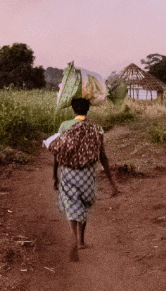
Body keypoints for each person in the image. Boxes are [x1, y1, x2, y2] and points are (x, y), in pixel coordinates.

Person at [48, 97, 119, 262]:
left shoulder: (64, 126)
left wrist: (54, 175)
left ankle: (73, 237)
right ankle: (81, 241)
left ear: (73, 109)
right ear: (88, 110)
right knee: (85, 205)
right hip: (87, 173)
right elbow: (103, 157)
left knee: (71, 204)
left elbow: (59, 153)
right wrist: (113, 183)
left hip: (68, 172)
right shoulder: (96, 129)